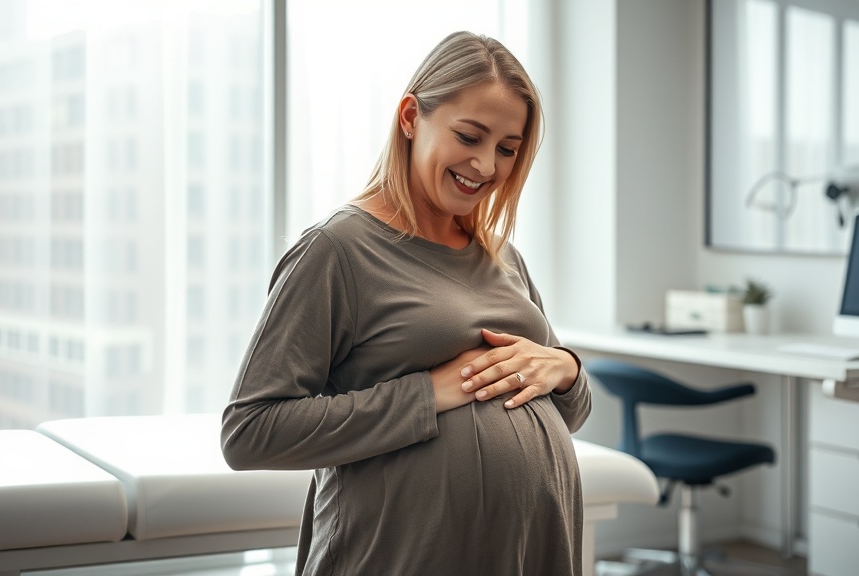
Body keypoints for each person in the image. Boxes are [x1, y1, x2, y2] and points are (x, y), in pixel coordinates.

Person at [221, 30, 592, 576]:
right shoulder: (337, 249)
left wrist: (564, 368)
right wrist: (429, 393)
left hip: (528, 551)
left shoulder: (503, 257)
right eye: (469, 136)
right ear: (411, 117)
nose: (485, 165)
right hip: (395, 553)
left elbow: (572, 412)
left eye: (507, 149)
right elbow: (249, 432)